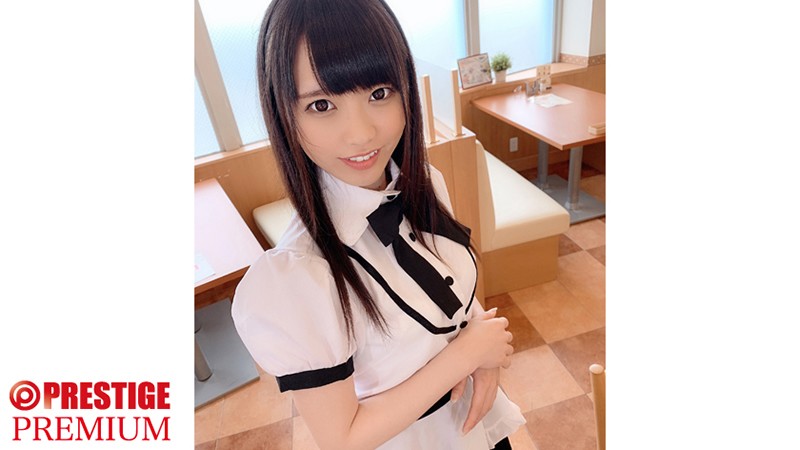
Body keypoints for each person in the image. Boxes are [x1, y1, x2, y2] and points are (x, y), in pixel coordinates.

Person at [232, 0, 526, 448]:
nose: (362, 134)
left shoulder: (425, 183)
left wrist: (483, 353)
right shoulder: (299, 277)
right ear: (284, 113)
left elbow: (447, 296)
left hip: (480, 426)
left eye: (379, 93)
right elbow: (341, 439)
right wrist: (468, 354)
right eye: (322, 104)